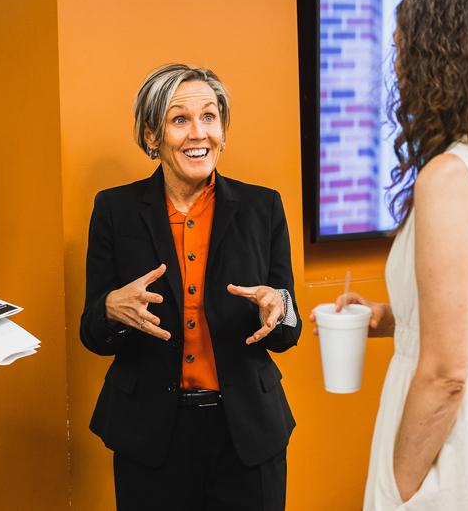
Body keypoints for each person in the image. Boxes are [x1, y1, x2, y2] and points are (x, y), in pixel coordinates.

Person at [80, 63, 302, 510]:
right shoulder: (114, 210)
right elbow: (91, 330)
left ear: (223, 129)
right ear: (151, 135)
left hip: (247, 435)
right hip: (151, 436)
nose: (198, 133)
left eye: (209, 117)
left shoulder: (263, 207)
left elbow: (288, 328)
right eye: (180, 119)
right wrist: (110, 308)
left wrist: (278, 307)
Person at [311, 0, 468, 508]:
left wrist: (401, 483)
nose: (395, 69)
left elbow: (445, 374)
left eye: (400, 51)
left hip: (453, 441)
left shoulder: (449, 177)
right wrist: (395, 317)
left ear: (437, 62)